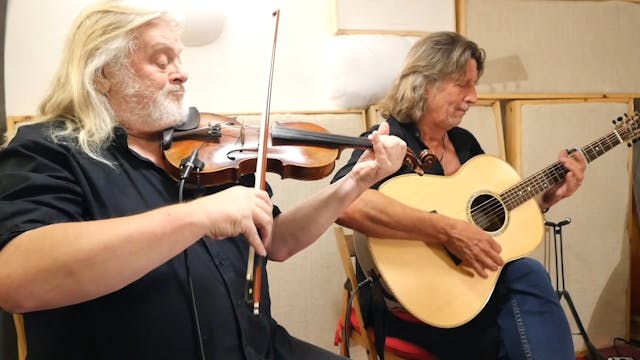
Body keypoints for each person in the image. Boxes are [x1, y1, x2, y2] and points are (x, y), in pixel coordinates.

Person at [0, 1, 408, 359]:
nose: (182, 74)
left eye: (179, 59)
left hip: (261, 350)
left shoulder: (206, 152)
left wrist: (357, 180)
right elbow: (18, 277)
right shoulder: (50, 150)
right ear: (102, 72)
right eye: (162, 61)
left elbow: (276, 240)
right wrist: (198, 217)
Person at [331, 31, 587, 360]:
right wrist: (447, 231)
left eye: (474, 84)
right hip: (416, 296)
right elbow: (344, 200)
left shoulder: (464, 142)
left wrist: (547, 199)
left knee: (523, 278)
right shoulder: (388, 140)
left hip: (474, 287)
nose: (474, 97)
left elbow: (492, 218)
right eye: (462, 84)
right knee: (524, 291)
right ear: (425, 83)